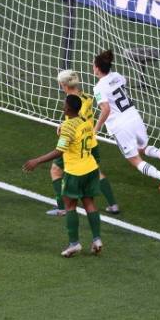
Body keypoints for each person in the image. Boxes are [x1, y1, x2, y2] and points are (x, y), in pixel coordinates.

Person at [24, 95, 102, 258]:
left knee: (70, 206)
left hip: (75, 172)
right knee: (89, 204)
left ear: (67, 109)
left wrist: (36, 161)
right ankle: (97, 240)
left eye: (64, 104)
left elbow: (60, 151)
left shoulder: (68, 126)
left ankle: (74, 244)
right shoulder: (85, 123)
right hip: (91, 168)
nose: (62, 105)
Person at [92, 49, 160, 191]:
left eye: (93, 65)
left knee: (134, 159)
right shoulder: (118, 76)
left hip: (120, 126)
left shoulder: (98, 88)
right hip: (134, 116)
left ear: (97, 68)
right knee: (142, 147)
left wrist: (96, 128)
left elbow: (106, 109)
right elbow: (123, 83)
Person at [46, 69, 119, 216]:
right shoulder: (86, 97)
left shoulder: (71, 102)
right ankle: (113, 204)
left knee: (55, 170)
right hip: (90, 141)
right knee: (95, 172)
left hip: (77, 143)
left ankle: (62, 208)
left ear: (63, 85)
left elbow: (77, 121)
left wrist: (64, 128)